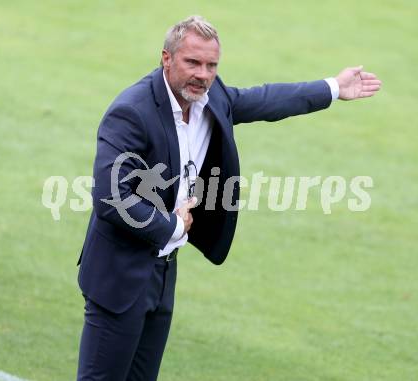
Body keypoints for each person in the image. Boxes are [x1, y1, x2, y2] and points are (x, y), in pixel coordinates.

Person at [76, 15, 381, 381]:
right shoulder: (132, 112)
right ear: (166, 58)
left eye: (211, 65)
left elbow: (265, 100)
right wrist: (171, 226)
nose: (203, 74)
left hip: (162, 273)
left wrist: (332, 87)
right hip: (119, 275)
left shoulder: (211, 97)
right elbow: (111, 198)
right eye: (193, 62)